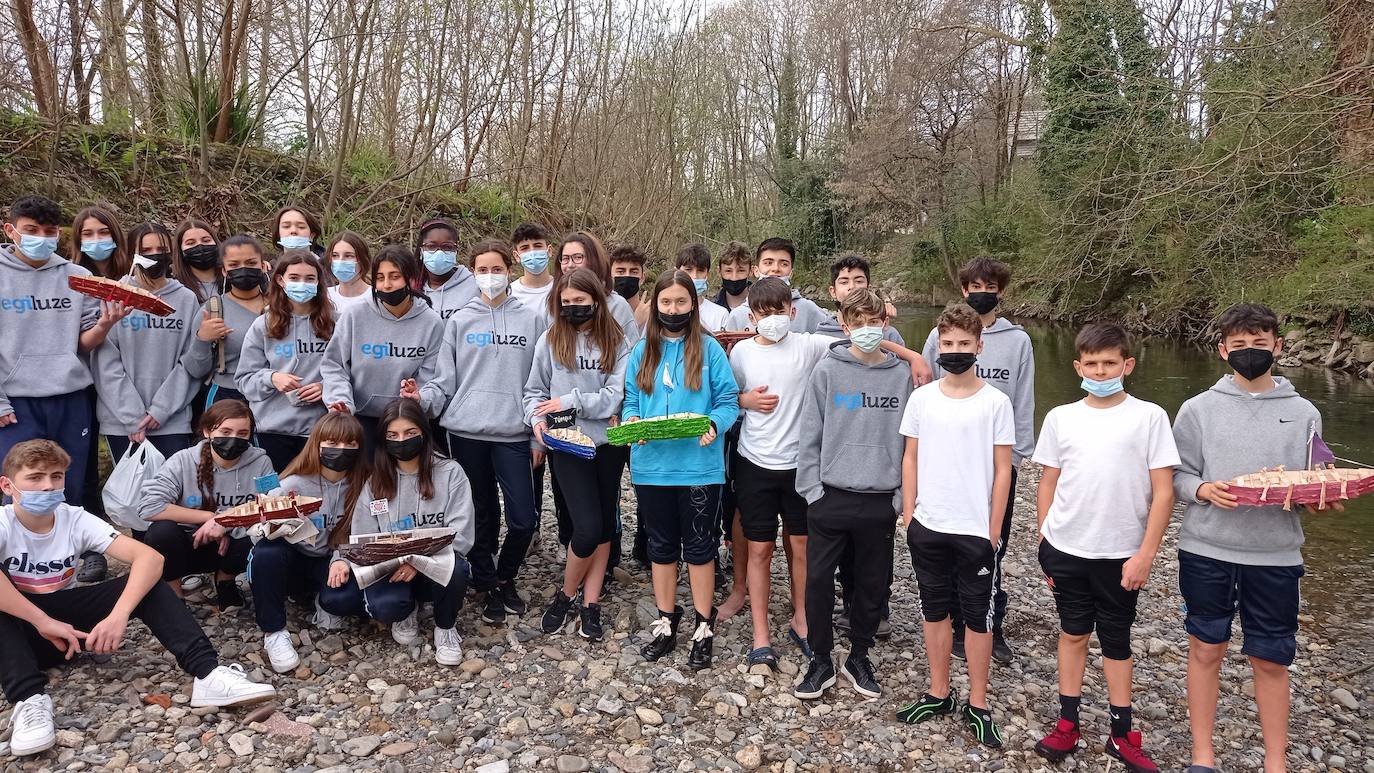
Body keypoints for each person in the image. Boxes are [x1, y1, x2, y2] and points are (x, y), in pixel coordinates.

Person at [0, 439, 275, 757]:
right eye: (35, 478)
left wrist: (117, 615)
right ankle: (29, 700)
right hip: (16, 634)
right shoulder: (4, 522)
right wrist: (42, 621)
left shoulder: (73, 517)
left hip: (66, 635)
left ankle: (207, 673)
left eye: (56, 476)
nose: (48, 486)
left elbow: (150, 559)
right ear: (8, 485)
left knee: (147, 583)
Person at [729, 278, 927, 669]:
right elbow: (723, 398)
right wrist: (743, 400)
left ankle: (802, 620)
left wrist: (912, 356)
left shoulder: (809, 345)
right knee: (759, 550)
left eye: (780, 312)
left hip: (799, 466)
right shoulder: (740, 354)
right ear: (751, 317)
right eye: (764, 314)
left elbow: (860, 339)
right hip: (754, 461)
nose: (773, 320)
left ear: (793, 312)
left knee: (801, 548)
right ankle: (760, 635)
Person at [1172, 303, 1329, 773]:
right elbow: (1176, 474)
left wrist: (1321, 495)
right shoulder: (1197, 409)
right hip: (1206, 548)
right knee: (1205, 648)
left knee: (1272, 657)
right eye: (1239, 345)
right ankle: (1204, 756)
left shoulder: (1305, 413)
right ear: (1223, 351)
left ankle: (1275, 763)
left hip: (1276, 554)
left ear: (1277, 346)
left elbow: (1316, 476)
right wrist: (1201, 489)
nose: (1250, 352)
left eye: (1260, 343)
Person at [1030, 322, 1179, 770]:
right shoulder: (1061, 417)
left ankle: (1120, 732)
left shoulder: (1149, 416)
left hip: (1121, 555)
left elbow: (1164, 491)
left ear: (1126, 365)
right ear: (1078, 366)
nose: (1099, 371)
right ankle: (1067, 722)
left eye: (1108, 363)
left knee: (1116, 638)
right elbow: (1048, 481)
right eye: (1091, 364)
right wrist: (1044, 535)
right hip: (1067, 548)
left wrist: (1146, 554)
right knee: (1073, 632)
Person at [895, 304, 1013, 749]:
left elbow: (1004, 469)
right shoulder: (922, 399)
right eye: (948, 344)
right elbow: (911, 457)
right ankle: (939, 692)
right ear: (938, 346)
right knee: (934, 609)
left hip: (975, 530)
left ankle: (978, 703)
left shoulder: (995, 402)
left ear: (979, 346)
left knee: (978, 618)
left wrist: (993, 528)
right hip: (929, 522)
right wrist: (909, 513)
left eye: (965, 344)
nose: (956, 351)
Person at [409, 240, 545, 625]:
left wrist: (538, 436)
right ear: (473, 274)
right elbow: (444, 382)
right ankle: (488, 585)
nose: (490, 277)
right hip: (467, 431)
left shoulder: (532, 321)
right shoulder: (459, 321)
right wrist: (421, 400)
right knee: (482, 513)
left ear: (509, 271)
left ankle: (505, 575)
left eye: (497, 269)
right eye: (482, 270)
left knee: (523, 519)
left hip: (515, 432)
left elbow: (540, 383)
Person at [793, 289, 911, 700]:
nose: (866, 329)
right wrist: (811, 491)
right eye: (856, 321)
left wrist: (899, 498)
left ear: (884, 323)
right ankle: (821, 658)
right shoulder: (827, 371)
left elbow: (911, 443)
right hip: (830, 495)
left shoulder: (902, 376)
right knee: (820, 582)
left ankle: (860, 654)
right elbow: (809, 435)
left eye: (873, 321)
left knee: (870, 585)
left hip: (880, 498)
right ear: (844, 325)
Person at [919, 256, 1033, 663]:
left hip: (996, 464)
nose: (981, 293)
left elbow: (1022, 400)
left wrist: (1017, 459)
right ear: (963, 290)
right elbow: (927, 384)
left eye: (990, 286)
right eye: (974, 286)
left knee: (991, 549)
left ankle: (989, 625)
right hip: (949, 460)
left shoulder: (1018, 340)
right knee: (946, 545)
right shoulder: (942, 336)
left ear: (1000, 291)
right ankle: (949, 623)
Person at [626, 270, 739, 670]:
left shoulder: (709, 350)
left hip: (699, 468)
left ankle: (703, 625)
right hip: (651, 467)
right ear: (655, 306)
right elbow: (630, 402)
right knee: (660, 546)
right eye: (666, 302)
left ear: (693, 304)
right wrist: (633, 427)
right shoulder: (642, 351)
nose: (673, 309)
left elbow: (728, 402)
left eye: (681, 302)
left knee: (699, 546)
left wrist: (713, 424)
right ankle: (666, 621)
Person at [318, 399, 474, 665]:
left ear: (424, 433)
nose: (402, 441)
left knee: (458, 569)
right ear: (383, 439)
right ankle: (408, 608)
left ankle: (445, 627)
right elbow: (364, 535)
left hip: (436, 564)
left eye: (410, 433)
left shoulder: (450, 472)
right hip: (391, 568)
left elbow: (461, 532)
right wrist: (342, 560)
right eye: (393, 435)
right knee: (363, 604)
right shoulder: (376, 479)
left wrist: (418, 561)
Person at [1, 194, 128, 506]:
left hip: (70, 397)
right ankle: (16, 553)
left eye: (49, 232)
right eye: (31, 230)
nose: (41, 238)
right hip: (16, 401)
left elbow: (83, 342)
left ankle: (70, 553)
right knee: (22, 484)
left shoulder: (78, 276)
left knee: (67, 481)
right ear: (10, 230)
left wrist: (105, 325)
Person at [526, 268, 629, 641]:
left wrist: (570, 400)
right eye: (566, 303)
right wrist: (536, 426)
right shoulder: (550, 341)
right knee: (585, 527)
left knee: (602, 526)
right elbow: (533, 393)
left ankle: (591, 601)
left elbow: (614, 396)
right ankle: (566, 594)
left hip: (608, 444)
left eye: (580, 302)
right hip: (567, 444)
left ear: (596, 302)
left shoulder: (616, 341)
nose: (573, 308)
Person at [252, 413, 367, 673]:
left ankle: (321, 599)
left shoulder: (363, 484)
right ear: (317, 444)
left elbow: (365, 532)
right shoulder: (293, 483)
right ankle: (274, 632)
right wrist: (280, 521)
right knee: (266, 553)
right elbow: (257, 529)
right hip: (294, 558)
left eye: (350, 444)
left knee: (346, 601)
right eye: (332, 443)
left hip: (333, 560)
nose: (341, 451)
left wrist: (342, 560)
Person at [138, 400, 275, 609]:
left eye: (242, 433)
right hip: (188, 542)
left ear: (250, 435)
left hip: (231, 543)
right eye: (225, 431)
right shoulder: (182, 460)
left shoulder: (262, 462)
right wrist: (210, 518)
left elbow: (273, 504)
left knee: (262, 532)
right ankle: (174, 594)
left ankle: (225, 581)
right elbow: (149, 506)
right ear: (207, 431)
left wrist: (226, 523)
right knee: (160, 532)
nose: (233, 439)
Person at [93, 221, 201, 461]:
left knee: (172, 493)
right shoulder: (115, 294)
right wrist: (131, 415)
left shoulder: (186, 299)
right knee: (128, 496)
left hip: (172, 420)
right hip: (122, 423)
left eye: (161, 249)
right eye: (146, 251)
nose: (155, 256)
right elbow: (105, 362)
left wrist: (162, 409)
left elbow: (190, 360)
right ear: (133, 254)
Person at [320, 245, 444, 450]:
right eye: (380, 278)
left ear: (411, 279)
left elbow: (436, 379)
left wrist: (419, 397)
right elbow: (334, 366)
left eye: (394, 276)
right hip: (359, 418)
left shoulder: (431, 323)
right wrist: (341, 402)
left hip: (407, 420)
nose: (386, 285)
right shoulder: (354, 316)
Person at [235, 250, 334, 470]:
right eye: (294, 278)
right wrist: (272, 378)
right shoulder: (263, 325)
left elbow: (351, 373)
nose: (302, 284)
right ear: (280, 280)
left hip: (320, 431)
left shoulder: (335, 323)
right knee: (275, 495)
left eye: (310, 278)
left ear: (319, 282)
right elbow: (244, 379)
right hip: (271, 430)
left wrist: (325, 387)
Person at [184, 235, 269, 408]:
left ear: (263, 265)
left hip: (272, 395)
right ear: (224, 270)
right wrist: (202, 340)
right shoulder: (213, 309)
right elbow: (195, 370)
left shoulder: (280, 306)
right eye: (234, 265)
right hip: (227, 396)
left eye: (251, 263)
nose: (243, 269)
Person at [724, 237, 826, 332]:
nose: (775, 269)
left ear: (791, 272)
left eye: (784, 264)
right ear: (756, 270)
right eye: (768, 263)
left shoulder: (808, 309)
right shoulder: (738, 315)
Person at [815, 254, 904, 344]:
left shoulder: (888, 334)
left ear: (868, 289)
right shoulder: (821, 338)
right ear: (833, 291)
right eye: (844, 282)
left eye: (859, 281)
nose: (852, 287)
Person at [417, 218, 476, 320]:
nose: (439, 252)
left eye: (447, 247)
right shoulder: (412, 288)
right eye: (431, 246)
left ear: (456, 251)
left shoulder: (474, 286)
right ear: (421, 250)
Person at [674, 243, 730, 332]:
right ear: (676, 272)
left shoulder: (720, 315)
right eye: (688, 270)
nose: (695, 276)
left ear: (708, 274)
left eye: (700, 270)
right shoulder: (667, 311)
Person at [70, 205, 132, 281]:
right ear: (78, 239)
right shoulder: (69, 273)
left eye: (104, 232)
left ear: (115, 235)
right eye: (88, 234)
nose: (96, 239)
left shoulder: (134, 272)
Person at [172, 218, 223, 303]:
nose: (200, 245)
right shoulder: (175, 288)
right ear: (180, 250)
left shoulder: (232, 281)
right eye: (191, 243)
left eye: (206, 240)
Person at [509, 221, 555, 314]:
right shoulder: (510, 294)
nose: (532, 251)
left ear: (549, 251)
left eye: (538, 246)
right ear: (517, 256)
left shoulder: (563, 288)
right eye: (525, 248)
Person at [325, 231, 372, 312]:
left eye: (349, 256)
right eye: (335, 255)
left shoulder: (375, 298)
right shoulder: (326, 296)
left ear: (363, 259)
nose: (340, 261)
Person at [609, 243, 648, 329]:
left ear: (642, 278)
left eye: (634, 272)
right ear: (610, 276)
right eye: (620, 272)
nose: (627, 276)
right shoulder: (602, 314)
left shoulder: (651, 317)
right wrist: (635, 324)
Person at [711, 240, 752, 311]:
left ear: (750, 271)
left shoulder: (763, 304)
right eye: (728, 271)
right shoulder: (711, 308)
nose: (734, 278)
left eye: (741, 271)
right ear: (719, 272)